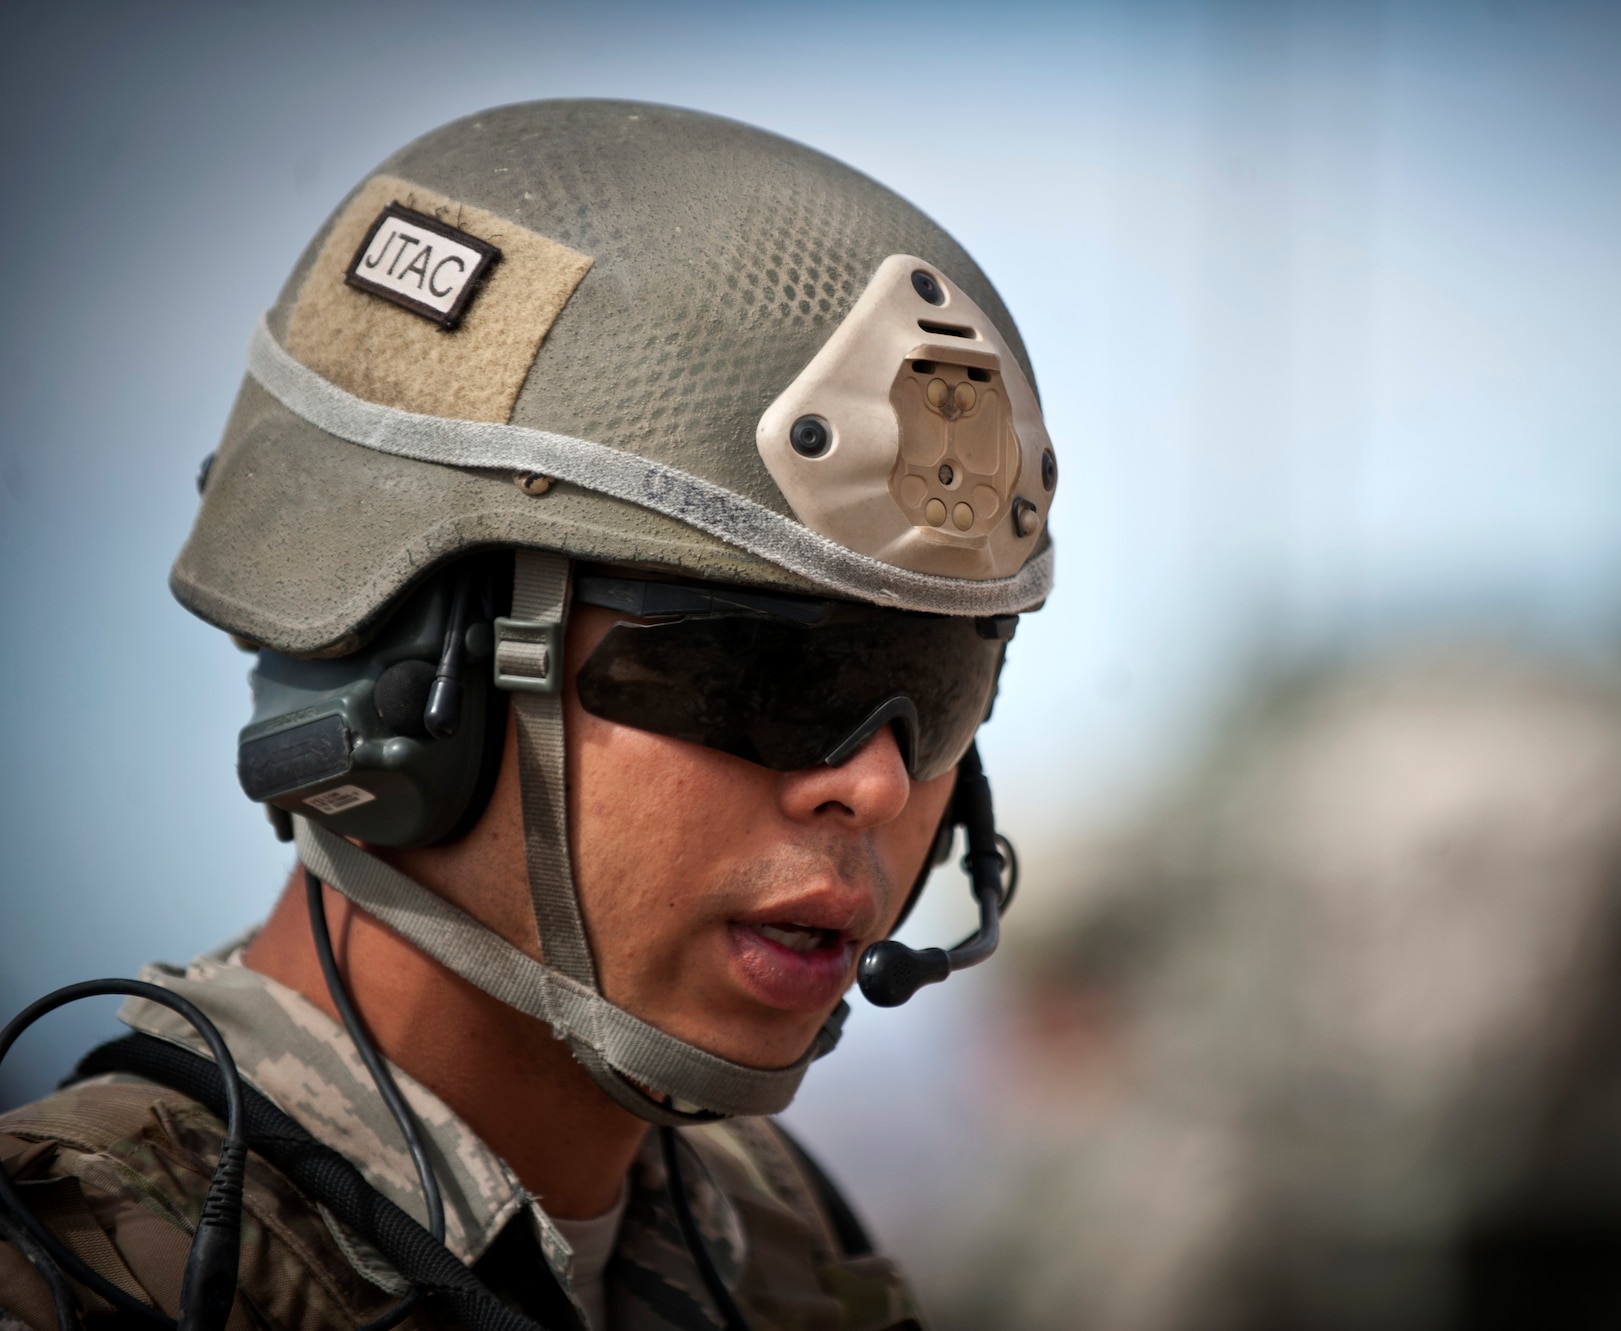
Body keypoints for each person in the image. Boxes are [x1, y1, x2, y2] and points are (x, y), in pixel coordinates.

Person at [0, 99, 1056, 1331]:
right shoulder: (82, 1277)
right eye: (755, 682)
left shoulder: (779, 1245)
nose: (874, 785)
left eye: (936, 693)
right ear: (406, 665)